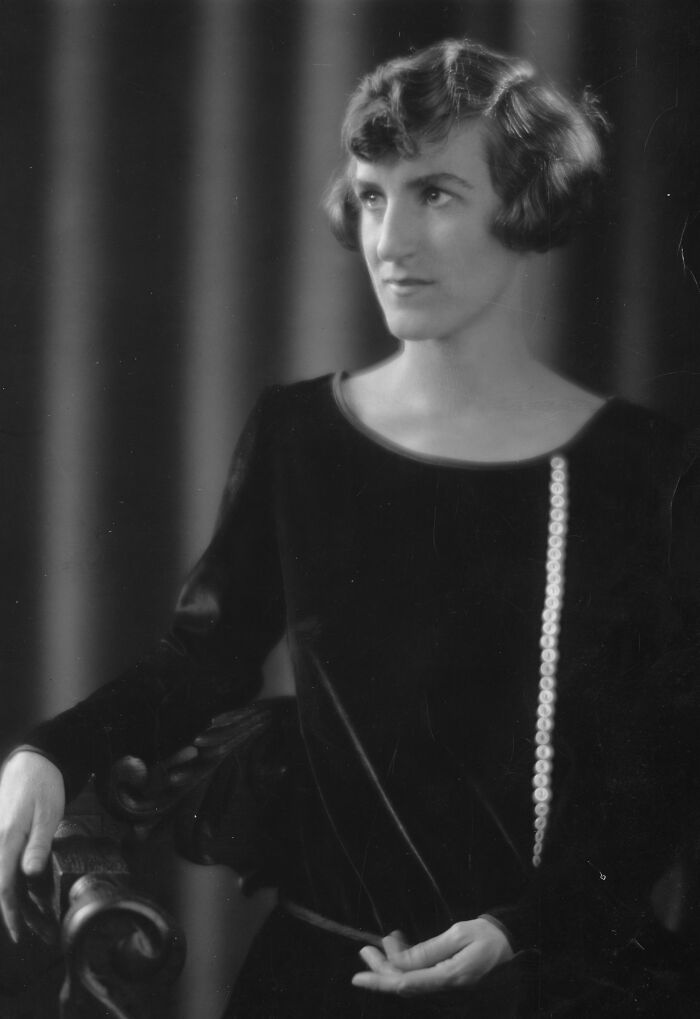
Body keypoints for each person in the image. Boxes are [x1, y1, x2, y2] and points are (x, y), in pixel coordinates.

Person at [0, 36, 699, 1017]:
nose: (390, 240)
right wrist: (50, 747)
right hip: (323, 976)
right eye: (372, 195)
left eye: (435, 195)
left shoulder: (638, 464)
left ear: (526, 202)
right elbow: (200, 662)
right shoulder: (298, 435)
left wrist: (517, 929)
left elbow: (659, 761)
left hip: (544, 978)